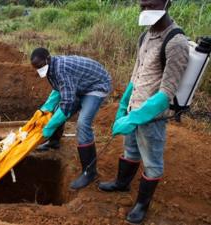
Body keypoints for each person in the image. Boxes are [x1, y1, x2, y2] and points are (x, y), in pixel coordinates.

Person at [98, 0, 189, 223]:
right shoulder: (146, 36)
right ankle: (122, 184)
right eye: (143, 5)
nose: (146, 10)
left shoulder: (176, 42)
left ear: (168, 3)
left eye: (151, 4)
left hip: (152, 118)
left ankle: (141, 205)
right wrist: (123, 106)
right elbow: (136, 76)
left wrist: (137, 117)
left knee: (152, 162)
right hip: (133, 108)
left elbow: (167, 92)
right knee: (130, 150)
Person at [30, 48, 112, 190]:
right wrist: (44, 109)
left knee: (83, 123)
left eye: (40, 66)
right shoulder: (51, 68)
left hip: (96, 86)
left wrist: (49, 126)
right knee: (56, 111)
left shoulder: (62, 69)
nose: (39, 69)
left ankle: (89, 172)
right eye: (36, 68)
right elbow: (58, 91)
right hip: (80, 85)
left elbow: (67, 103)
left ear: (48, 58)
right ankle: (54, 142)